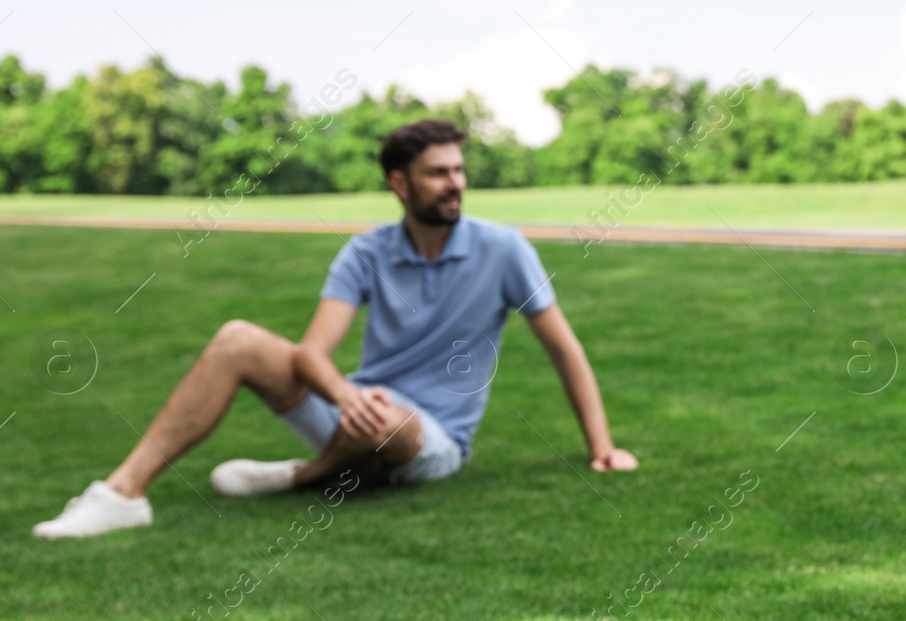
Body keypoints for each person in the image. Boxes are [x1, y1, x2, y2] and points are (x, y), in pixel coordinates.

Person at [34, 118, 637, 539]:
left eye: (458, 170)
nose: (454, 183)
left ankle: (302, 477)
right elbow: (312, 355)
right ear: (399, 184)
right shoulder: (366, 252)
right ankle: (122, 495)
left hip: (432, 438)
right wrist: (345, 394)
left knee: (393, 422)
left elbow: (564, 349)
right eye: (437, 173)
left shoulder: (504, 249)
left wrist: (602, 448)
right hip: (352, 410)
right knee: (237, 338)